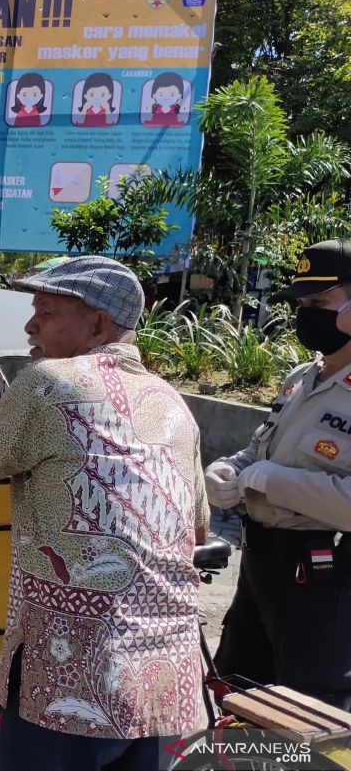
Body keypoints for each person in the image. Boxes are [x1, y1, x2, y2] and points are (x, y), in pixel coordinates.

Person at [0, 256, 208, 771]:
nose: (31, 325)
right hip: (170, 682)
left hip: (68, 679)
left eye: (46, 311)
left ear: (96, 324)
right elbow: (198, 525)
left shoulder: (49, 381)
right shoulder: (172, 402)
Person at [206, 239, 351, 710]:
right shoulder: (303, 377)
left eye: (319, 303)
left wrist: (271, 480)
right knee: (238, 692)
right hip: (263, 563)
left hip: (327, 574)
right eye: (302, 303)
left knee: (309, 709)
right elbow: (260, 448)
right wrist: (231, 472)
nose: (305, 314)